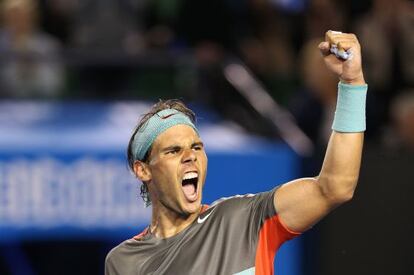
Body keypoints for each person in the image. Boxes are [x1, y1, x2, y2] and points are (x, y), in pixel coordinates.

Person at [105, 31, 368, 274]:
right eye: (173, 151)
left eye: (196, 147)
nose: (190, 156)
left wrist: (352, 83)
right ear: (143, 169)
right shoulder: (124, 261)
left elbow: (335, 187)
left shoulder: (244, 219)